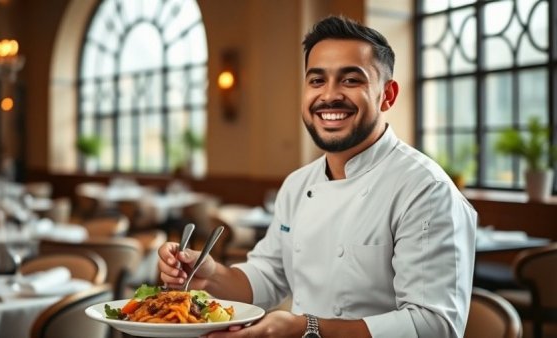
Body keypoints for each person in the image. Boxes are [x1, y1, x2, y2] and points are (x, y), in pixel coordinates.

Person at [158, 15, 477, 338]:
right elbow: (269, 275)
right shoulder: (297, 184)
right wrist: (211, 274)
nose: (329, 95)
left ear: (388, 95)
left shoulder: (425, 189)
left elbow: (435, 326)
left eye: (351, 80)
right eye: (316, 80)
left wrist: (306, 328)